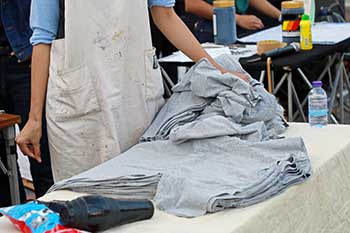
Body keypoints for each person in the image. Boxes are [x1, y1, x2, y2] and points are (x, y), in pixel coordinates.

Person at [16, 0, 248, 181]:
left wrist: (217, 69)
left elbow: (166, 15)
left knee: (144, 194)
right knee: (84, 203)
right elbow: (42, 40)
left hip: (134, 92)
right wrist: (34, 119)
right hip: (80, 103)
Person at [0, 0, 53, 207]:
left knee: (42, 157)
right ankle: (14, 219)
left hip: (26, 61)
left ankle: (54, 220)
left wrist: (36, 49)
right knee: (4, 167)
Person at [183, 0, 281, 42]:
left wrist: (282, 15)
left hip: (242, 28)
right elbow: (191, 4)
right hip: (213, 29)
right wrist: (237, 18)